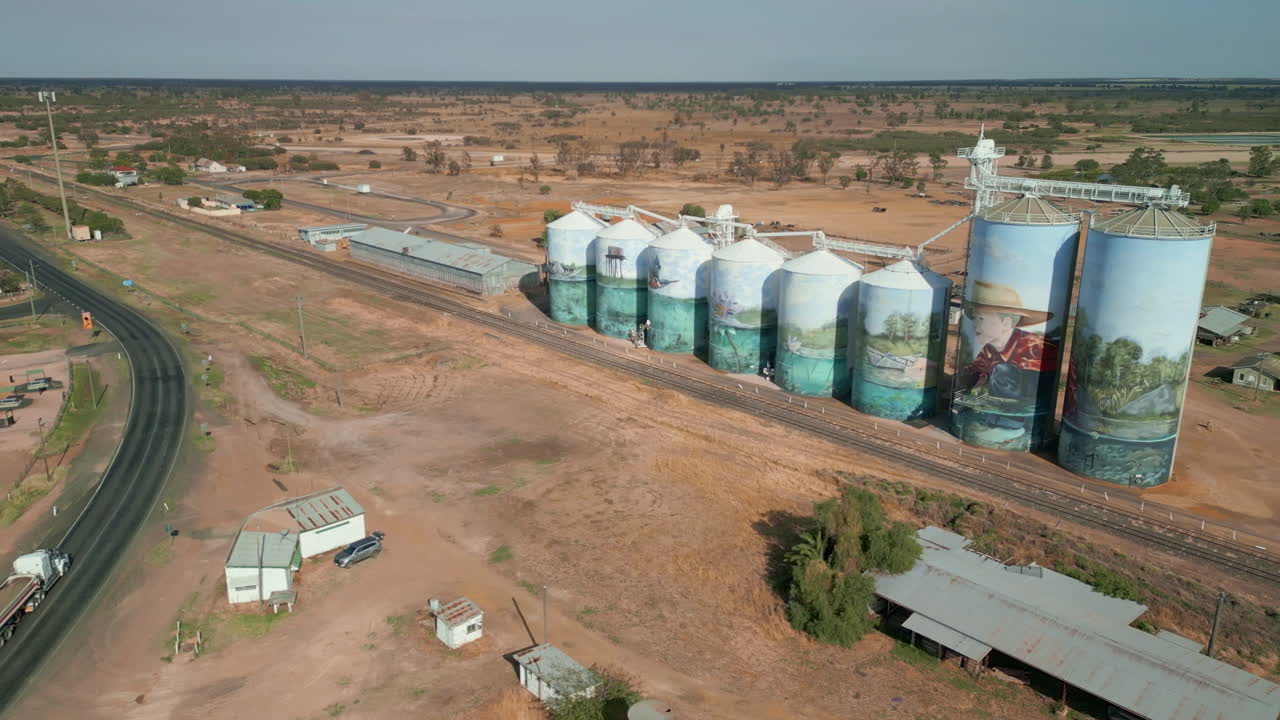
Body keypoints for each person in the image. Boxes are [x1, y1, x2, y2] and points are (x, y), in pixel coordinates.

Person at [957, 281, 1057, 403]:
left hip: (1024, 416)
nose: (974, 324)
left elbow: (1042, 389)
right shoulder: (988, 350)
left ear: (1006, 323)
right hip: (997, 414)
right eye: (975, 317)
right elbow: (970, 373)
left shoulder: (1036, 348)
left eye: (981, 318)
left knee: (1003, 370)